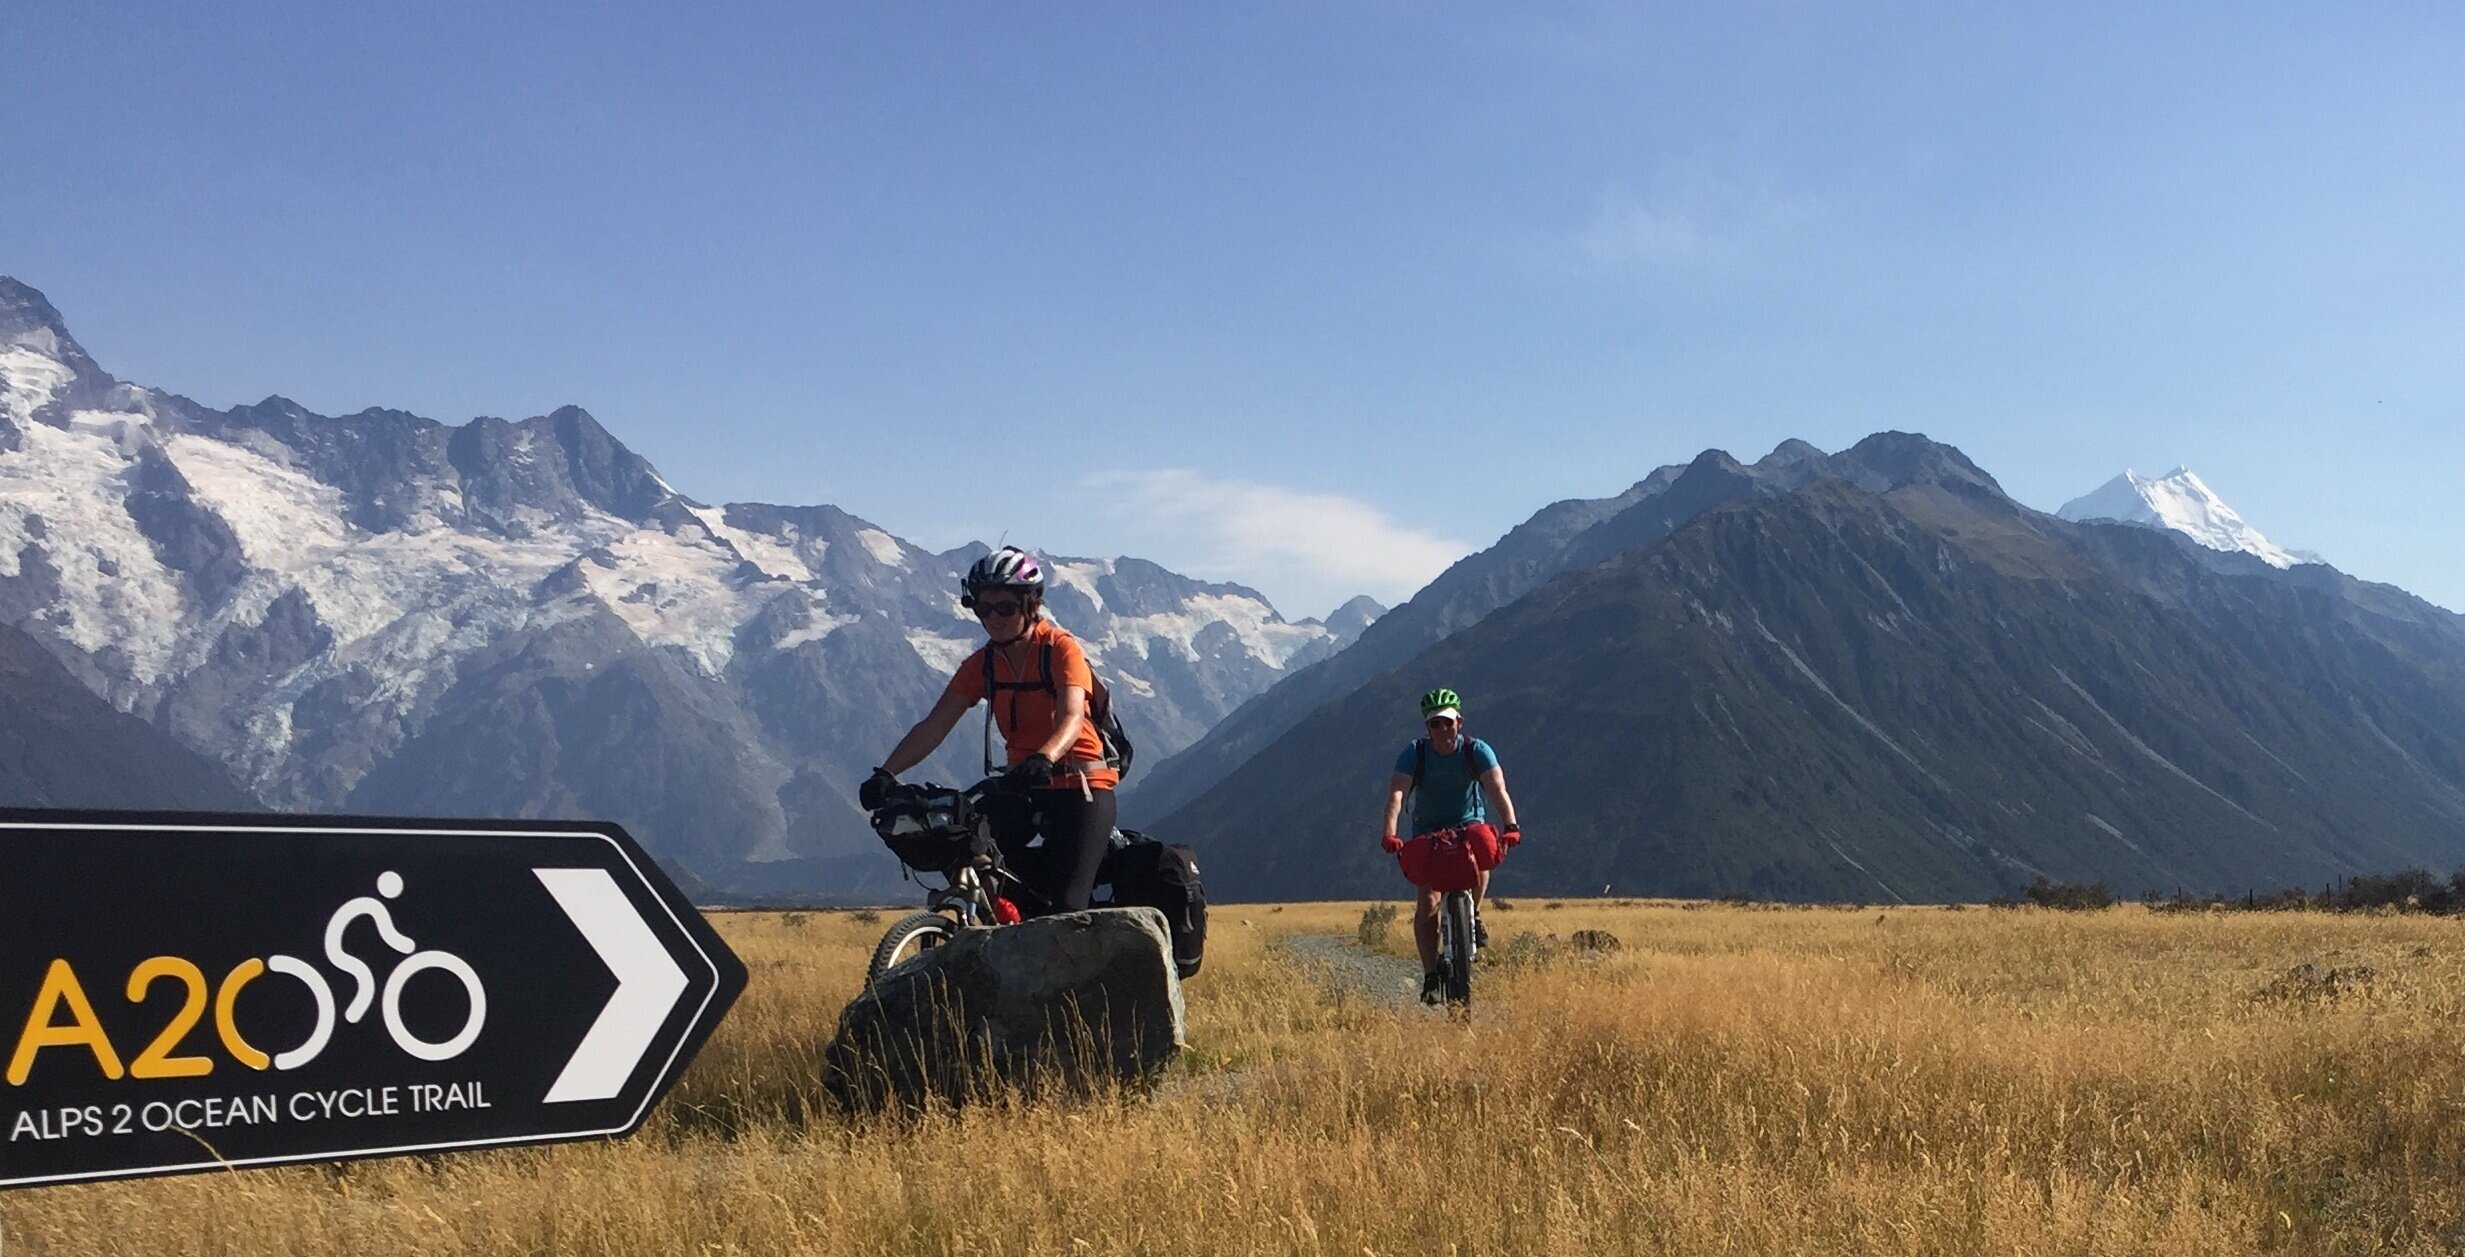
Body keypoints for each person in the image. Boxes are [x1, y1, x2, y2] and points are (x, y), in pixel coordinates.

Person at [860, 546, 1120, 914]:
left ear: (1031, 605)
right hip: (1022, 786)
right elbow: (935, 725)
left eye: (1006, 608)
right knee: (960, 849)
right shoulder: (983, 664)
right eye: (984, 608)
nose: (994, 617)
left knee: (1067, 903)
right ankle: (1009, 934)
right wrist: (886, 773)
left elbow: (1071, 717)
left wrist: (1044, 756)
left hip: (1081, 787)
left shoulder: (1061, 650)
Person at [1381, 687, 1523, 1004]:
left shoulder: (1477, 751)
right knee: (1427, 901)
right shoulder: (1414, 753)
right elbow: (1397, 795)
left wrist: (1511, 825)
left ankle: (1473, 915)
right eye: (1435, 724)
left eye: (1447, 722)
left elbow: (1497, 789)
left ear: (1459, 721)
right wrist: (1390, 832)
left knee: (1483, 856)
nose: (1442, 729)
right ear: (1427, 728)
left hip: (1468, 822)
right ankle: (1431, 974)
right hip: (1427, 828)